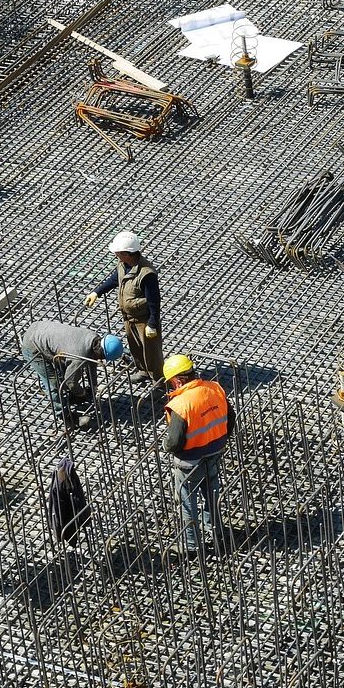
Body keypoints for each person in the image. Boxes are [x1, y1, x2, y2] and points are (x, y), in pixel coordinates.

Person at [160, 354, 234, 555]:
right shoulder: (214, 388)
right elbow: (231, 418)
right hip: (215, 451)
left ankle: (191, 546)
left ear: (177, 380)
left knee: (186, 501)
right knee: (212, 494)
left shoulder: (181, 404)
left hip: (189, 461)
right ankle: (217, 534)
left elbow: (174, 441)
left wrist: (166, 445)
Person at [84, 231, 163, 384]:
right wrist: (97, 292)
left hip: (144, 320)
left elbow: (154, 300)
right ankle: (143, 372)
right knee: (135, 348)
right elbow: (115, 279)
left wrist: (152, 323)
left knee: (151, 352)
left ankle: (158, 381)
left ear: (128, 253)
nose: (116, 255)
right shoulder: (123, 264)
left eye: (118, 252)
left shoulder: (146, 273)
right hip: (129, 317)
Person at [21, 321, 123, 428]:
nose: (102, 360)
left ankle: (70, 398)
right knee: (55, 383)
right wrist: (81, 393)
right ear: (101, 352)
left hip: (41, 329)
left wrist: (93, 386)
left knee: (65, 372)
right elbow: (70, 381)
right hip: (32, 346)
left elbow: (91, 362)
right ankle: (65, 417)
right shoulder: (79, 357)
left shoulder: (93, 338)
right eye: (103, 358)